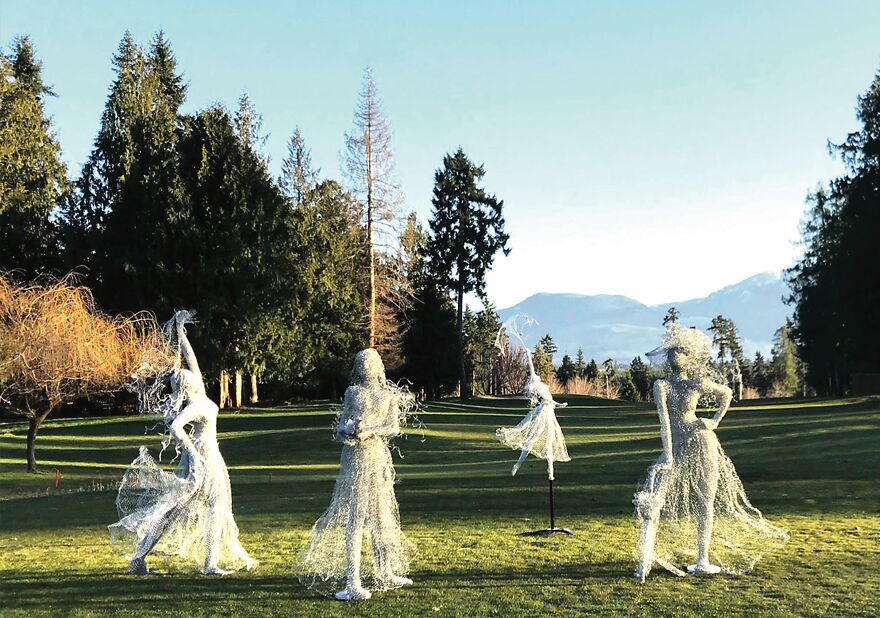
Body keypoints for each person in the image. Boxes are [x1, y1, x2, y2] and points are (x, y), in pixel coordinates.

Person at [633, 325, 787, 582]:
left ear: (689, 356)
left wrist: (714, 421)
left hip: (703, 442)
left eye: (680, 352)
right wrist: (668, 455)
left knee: (706, 499)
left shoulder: (697, 382)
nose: (674, 356)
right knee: (654, 499)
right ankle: (645, 559)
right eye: (671, 351)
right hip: (677, 446)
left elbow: (726, 394)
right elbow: (665, 424)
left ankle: (702, 559)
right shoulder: (661, 386)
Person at [109, 311, 255, 575]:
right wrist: (193, 452)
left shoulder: (197, 391)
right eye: (189, 377)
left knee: (194, 507)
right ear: (187, 387)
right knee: (193, 507)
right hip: (204, 456)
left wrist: (180, 331)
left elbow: (192, 359)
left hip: (207, 454)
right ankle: (195, 563)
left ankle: (148, 559)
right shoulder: (196, 406)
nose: (193, 374)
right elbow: (176, 427)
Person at [296, 349, 415, 601]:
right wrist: (348, 430)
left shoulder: (388, 394)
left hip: (377, 458)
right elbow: (340, 426)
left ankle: (386, 571)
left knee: (381, 515)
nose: (365, 367)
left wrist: (368, 431)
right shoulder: (353, 393)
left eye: (369, 362)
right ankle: (353, 581)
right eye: (361, 363)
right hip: (354, 459)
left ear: (378, 366)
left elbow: (393, 426)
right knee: (356, 518)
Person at [496, 371, 570, 480]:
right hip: (544, 415)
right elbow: (549, 399)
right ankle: (518, 464)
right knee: (531, 441)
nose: (538, 375)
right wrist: (559, 404)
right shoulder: (540, 389)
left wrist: (527, 353)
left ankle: (551, 471)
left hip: (550, 415)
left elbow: (531, 366)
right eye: (535, 376)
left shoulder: (542, 386)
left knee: (549, 442)